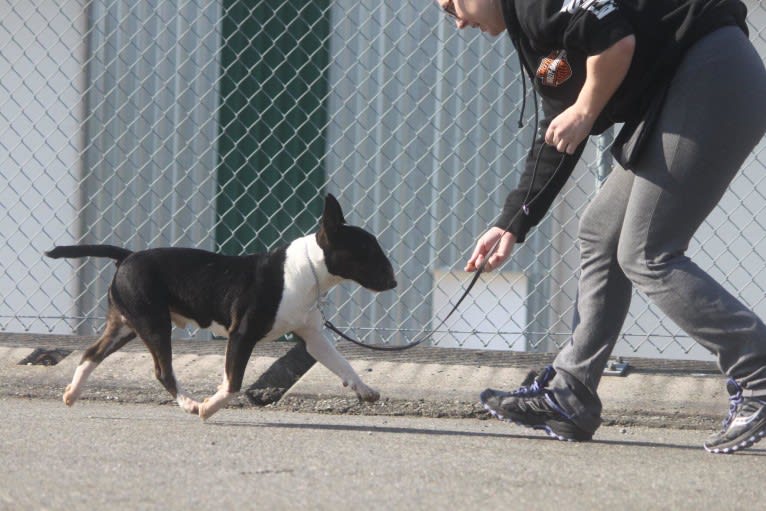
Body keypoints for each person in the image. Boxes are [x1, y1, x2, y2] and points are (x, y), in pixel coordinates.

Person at [436, 0, 766, 453]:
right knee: (601, 232)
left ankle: (758, 370)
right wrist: (512, 222)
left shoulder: (534, 4)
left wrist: (587, 111)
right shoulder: (530, 30)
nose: (456, 20)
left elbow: (615, 39)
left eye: (452, 3)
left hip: (712, 72)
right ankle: (570, 392)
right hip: (681, 89)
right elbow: (558, 130)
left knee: (647, 253)